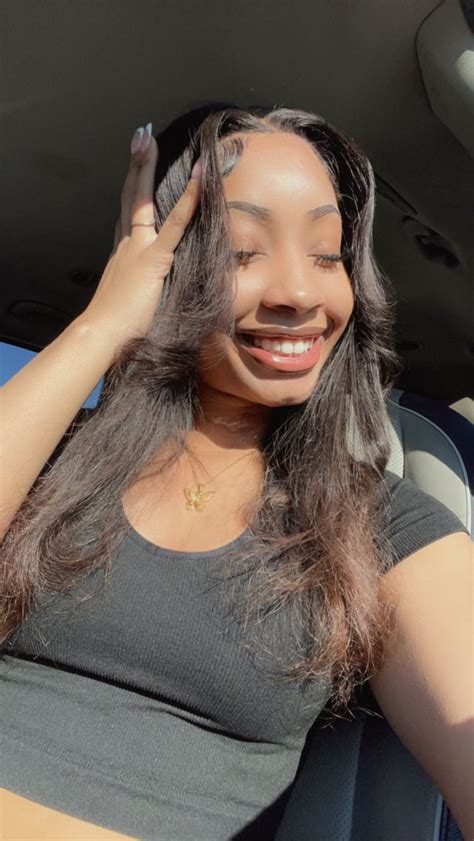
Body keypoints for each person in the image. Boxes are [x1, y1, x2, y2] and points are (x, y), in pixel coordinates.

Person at [0, 102, 472, 841]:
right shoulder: (50, 459)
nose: (300, 293)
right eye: (242, 252)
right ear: (161, 270)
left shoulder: (385, 524)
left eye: (327, 255)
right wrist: (100, 325)